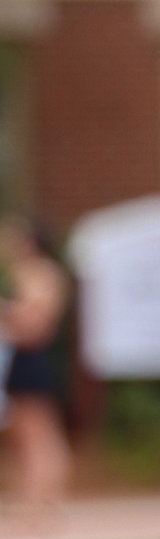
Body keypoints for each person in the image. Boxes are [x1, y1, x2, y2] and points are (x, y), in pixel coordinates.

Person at [0, 221, 72, 516]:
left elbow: (34, 325)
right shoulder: (35, 271)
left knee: (37, 434)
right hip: (24, 358)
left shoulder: (38, 272)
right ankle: (36, 500)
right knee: (27, 434)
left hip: (31, 358)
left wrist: (6, 311)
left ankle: (43, 502)